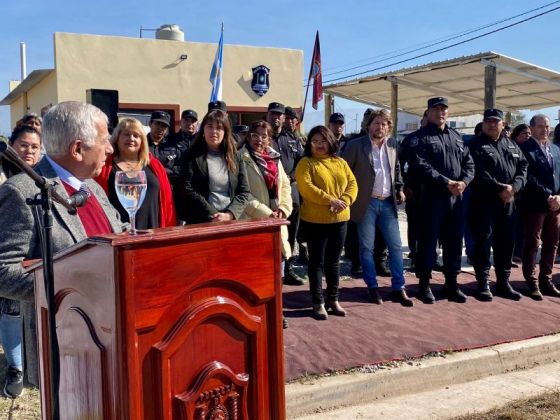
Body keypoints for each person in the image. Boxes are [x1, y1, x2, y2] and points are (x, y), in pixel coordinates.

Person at [0, 101, 124, 392]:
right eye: (105, 140)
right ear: (78, 149)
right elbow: (3, 272)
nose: (110, 149)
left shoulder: (90, 187)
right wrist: (75, 284)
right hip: (63, 348)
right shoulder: (21, 192)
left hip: (111, 336)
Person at [342, 109, 413, 307]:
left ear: (388, 127)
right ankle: (372, 287)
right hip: (366, 203)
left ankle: (399, 287)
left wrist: (399, 187)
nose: (379, 127)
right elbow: (344, 173)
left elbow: (395, 169)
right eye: (376, 123)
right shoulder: (355, 146)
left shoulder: (392, 145)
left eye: (384, 124)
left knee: (396, 247)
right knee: (367, 248)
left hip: (388, 202)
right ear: (368, 125)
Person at [409, 97, 475, 304]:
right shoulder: (419, 138)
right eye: (436, 109)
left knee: (454, 242)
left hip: (456, 199)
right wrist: (446, 181)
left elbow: (469, 163)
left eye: (444, 109)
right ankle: (424, 285)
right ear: (428, 112)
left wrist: (464, 182)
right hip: (431, 199)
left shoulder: (456, 136)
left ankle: (451, 284)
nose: (441, 112)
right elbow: (421, 165)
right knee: (428, 243)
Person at [295, 125, 357, 320]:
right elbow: (307, 188)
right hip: (315, 220)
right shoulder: (306, 163)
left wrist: (344, 201)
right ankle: (317, 301)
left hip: (340, 219)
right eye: (315, 141)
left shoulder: (340, 162)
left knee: (334, 262)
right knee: (316, 263)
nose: (319, 145)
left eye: (323, 141)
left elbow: (352, 184)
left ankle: (333, 299)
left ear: (330, 141)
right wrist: (330, 200)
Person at [468, 109, 528, 301]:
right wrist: (499, 188)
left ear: (503, 125)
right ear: (484, 124)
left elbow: (523, 167)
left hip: (508, 202)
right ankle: (483, 283)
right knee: (483, 242)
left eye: (496, 122)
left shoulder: (510, 144)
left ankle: (503, 281)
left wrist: (514, 188)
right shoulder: (475, 145)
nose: (492, 124)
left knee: (506, 242)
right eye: (489, 121)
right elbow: (478, 171)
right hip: (484, 201)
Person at [0, 124, 42, 398]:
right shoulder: (4, 176)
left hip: (33, 255)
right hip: (9, 253)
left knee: (28, 313)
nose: (28, 151)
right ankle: (16, 367)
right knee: (11, 310)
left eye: (34, 147)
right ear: (12, 146)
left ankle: (28, 362)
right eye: (23, 145)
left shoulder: (42, 178)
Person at [239, 120, 293, 329]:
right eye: (255, 134)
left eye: (264, 136)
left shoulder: (274, 158)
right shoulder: (240, 157)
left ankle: (277, 311)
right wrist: (267, 213)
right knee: (255, 273)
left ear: (269, 138)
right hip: (254, 221)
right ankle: (255, 312)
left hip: (277, 221)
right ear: (248, 135)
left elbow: (286, 185)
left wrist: (284, 209)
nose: (259, 139)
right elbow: (242, 193)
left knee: (276, 272)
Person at [95, 118, 176, 229]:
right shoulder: (104, 166)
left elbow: (167, 203)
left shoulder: (155, 165)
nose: (131, 139)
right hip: (118, 233)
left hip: (152, 233)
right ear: (117, 138)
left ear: (142, 140)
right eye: (126, 134)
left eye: (136, 136)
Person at [179, 109, 250, 224]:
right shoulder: (191, 155)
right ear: (203, 130)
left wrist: (229, 214)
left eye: (219, 128)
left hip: (231, 222)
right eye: (210, 126)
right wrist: (213, 214)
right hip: (201, 221)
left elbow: (244, 191)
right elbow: (187, 188)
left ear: (225, 131)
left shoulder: (235, 156)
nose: (214, 131)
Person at [519, 114, 560, 299]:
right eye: (541, 126)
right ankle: (531, 281)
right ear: (532, 128)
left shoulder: (556, 149)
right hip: (536, 203)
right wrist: (548, 195)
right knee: (533, 243)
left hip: (556, 205)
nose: (545, 130)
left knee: (552, 243)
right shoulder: (524, 149)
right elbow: (528, 177)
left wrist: (558, 197)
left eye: (547, 126)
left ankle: (546, 279)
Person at [267, 102, 306, 285]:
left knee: (291, 230)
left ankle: (288, 268)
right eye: (273, 114)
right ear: (268, 116)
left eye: (279, 115)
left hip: (290, 190)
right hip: (268, 190)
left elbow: (301, 160)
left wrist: (291, 177)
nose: (276, 117)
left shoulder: (292, 139)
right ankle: (271, 269)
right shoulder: (263, 137)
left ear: (284, 118)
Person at [511, 123, 532, 263]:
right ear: (516, 135)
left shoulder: (532, 149)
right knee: (515, 225)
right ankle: (515, 252)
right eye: (524, 133)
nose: (528, 136)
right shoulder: (512, 147)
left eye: (529, 133)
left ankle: (521, 251)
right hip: (514, 192)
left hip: (529, 194)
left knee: (526, 226)